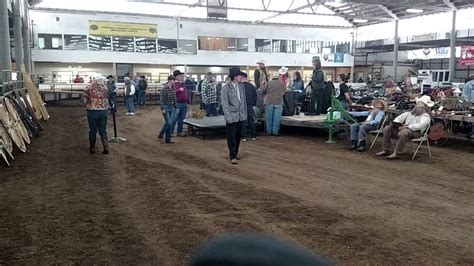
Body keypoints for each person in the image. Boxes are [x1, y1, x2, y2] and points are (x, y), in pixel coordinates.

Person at [221, 67, 247, 164]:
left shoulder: (242, 87)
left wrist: (244, 114)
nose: (241, 77)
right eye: (240, 75)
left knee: (238, 136)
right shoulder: (226, 88)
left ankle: (235, 153)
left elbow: (243, 101)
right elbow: (224, 104)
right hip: (231, 116)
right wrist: (228, 117)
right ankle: (232, 155)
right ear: (234, 76)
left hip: (241, 116)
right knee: (231, 136)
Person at [82, 76, 110, 155]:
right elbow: (107, 97)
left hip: (92, 111)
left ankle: (92, 148)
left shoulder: (88, 88)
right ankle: (106, 148)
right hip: (103, 111)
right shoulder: (105, 88)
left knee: (92, 130)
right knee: (103, 130)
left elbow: (84, 100)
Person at [158, 75, 177, 144]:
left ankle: (166, 138)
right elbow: (161, 99)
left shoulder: (173, 88)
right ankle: (163, 135)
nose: (174, 82)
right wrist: (162, 108)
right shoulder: (164, 88)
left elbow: (174, 98)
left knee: (169, 123)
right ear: (169, 81)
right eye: (173, 80)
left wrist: (175, 107)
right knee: (169, 122)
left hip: (171, 107)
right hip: (166, 107)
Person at [241, 74, 258, 142]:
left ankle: (244, 137)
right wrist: (254, 104)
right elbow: (255, 96)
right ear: (247, 78)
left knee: (243, 121)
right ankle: (253, 136)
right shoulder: (251, 86)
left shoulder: (240, 86)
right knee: (251, 120)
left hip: (242, 105)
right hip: (250, 105)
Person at [172, 70, 188, 137]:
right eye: (181, 76)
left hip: (184, 103)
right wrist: (179, 90)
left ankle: (179, 131)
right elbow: (173, 93)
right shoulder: (174, 84)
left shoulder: (182, 84)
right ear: (177, 77)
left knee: (181, 118)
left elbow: (185, 93)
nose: (182, 77)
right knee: (174, 118)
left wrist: (188, 102)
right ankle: (170, 131)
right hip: (177, 103)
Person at [462, 74, 474, 138]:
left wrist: (467, 103)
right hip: (471, 104)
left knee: (470, 118)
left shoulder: (467, 84)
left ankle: (471, 132)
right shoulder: (467, 84)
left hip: (470, 105)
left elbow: (464, 95)